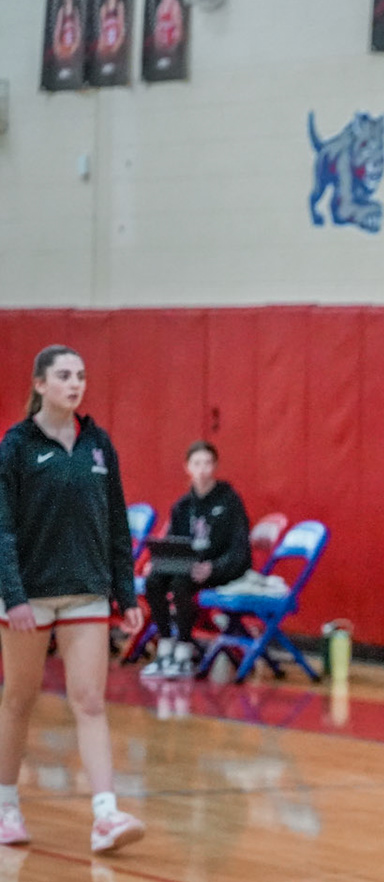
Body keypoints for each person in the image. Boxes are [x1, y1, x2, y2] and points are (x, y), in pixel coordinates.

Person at [0, 347, 145, 855]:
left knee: (90, 701)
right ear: (40, 384)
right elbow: (2, 528)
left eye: (81, 375)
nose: (75, 383)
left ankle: (105, 814)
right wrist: (12, 595)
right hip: (29, 596)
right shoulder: (16, 446)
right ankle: (6, 806)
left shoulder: (99, 444)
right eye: (64, 375)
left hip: (86, 590)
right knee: (19, 700)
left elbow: (116, 522)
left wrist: (125, 592)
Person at [140, 441, 251, 681]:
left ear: (215, 466)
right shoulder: (182, 506)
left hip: (219, 568)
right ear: (187, 468)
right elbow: (172, 544)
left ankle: (184, 649)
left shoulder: (229, 500)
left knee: (181, 583)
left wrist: (214, 568)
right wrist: (157, 562)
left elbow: (240, 549)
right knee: (153, 580)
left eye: (208, 463)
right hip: (188, 566)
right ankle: (165, 645)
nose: (202, 469)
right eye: (197, 463)